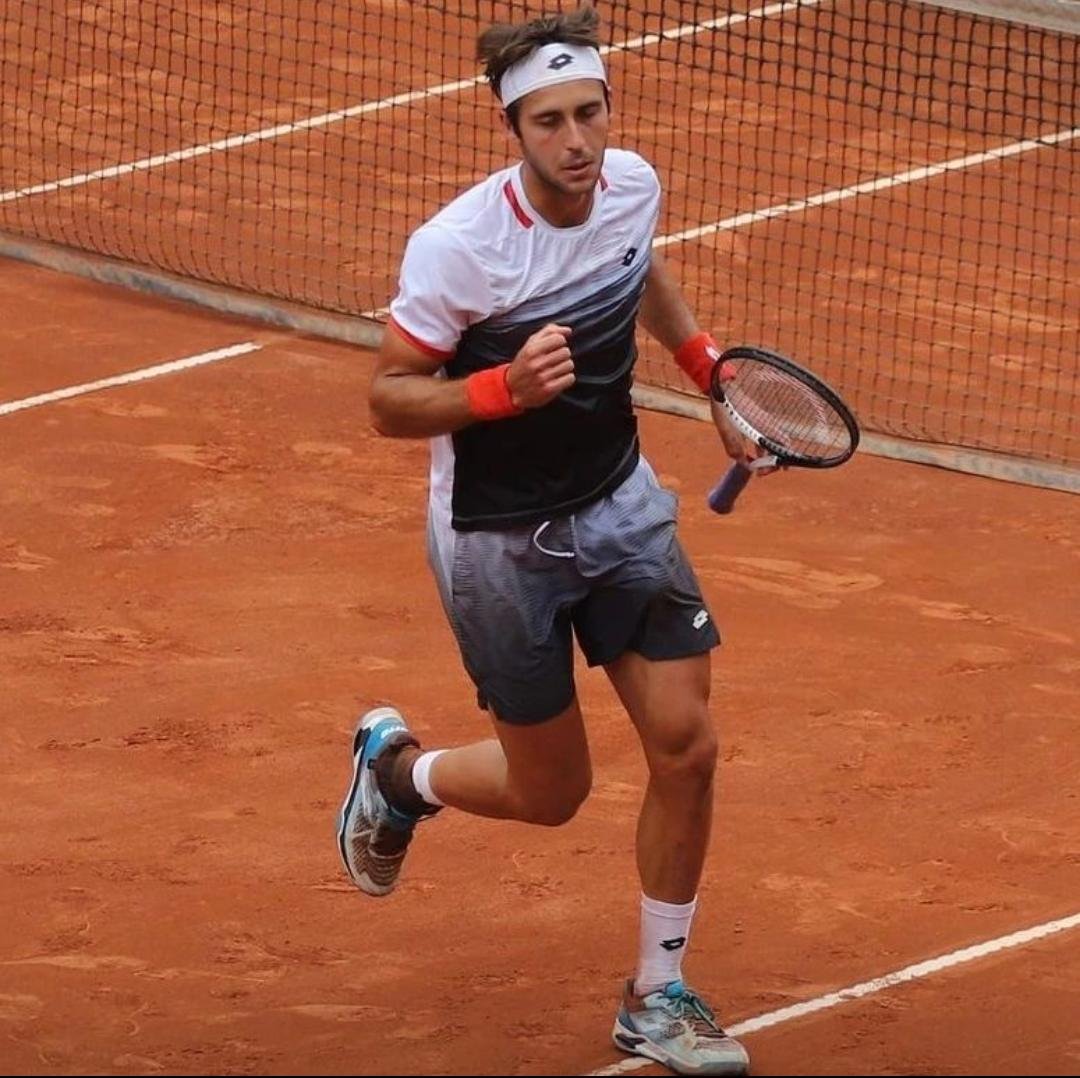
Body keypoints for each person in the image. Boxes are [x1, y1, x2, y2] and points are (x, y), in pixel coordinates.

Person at [337, 5, 762, 1074]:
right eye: (551, 122)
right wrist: (499, 388)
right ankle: (399, 776)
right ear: (512, 130)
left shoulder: (631, 186)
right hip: (497, 541)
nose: (578, 141)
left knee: (688, 743)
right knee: (551, 792)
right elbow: (390, 397)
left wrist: (710, 370)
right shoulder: (459, 250)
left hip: (619, 504)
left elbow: (643, 269)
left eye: (590, 114)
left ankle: (658, 995)